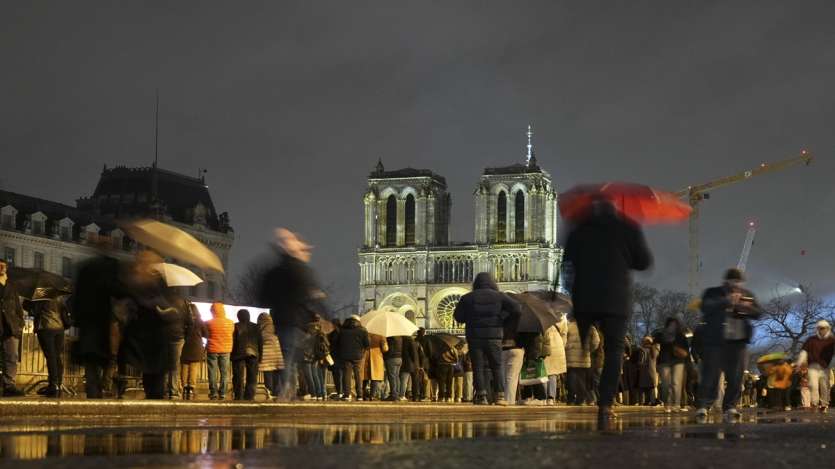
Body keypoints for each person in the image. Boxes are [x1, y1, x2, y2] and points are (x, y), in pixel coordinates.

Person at [563, 199, 652, 420]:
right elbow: (643, 262)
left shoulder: (579, 229)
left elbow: (567, 261)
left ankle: (582, 391)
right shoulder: (627, 227)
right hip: (615, 299)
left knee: (583, 350)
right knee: (614, 351)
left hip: (585, 298)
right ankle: (605, 402)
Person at [257, 228, 324, 401]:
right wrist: (324, 314)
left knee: (289, 355)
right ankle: (288, 387)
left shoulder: (275, 270)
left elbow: (262, 295)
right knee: (290, 356)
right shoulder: (299, 269)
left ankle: (287, 387)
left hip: (281, 318)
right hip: (296, 320)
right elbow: (312, 295)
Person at [695, 268, 763, 421]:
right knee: (710, 375)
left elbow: (759, 313)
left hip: (738, 342)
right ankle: (704, 405)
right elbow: (705, 307)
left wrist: (747, 307)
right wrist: (727, 301)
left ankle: (730, 406)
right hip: (716, 341)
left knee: (736, 377)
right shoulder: (713, 292)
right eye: (734, 281)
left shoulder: (747, 294)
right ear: (726, 281)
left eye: (739, 281)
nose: (736, 284)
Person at [453, 272, 521, 406]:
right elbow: (517, 309)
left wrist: (470, 318)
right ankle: (500, 396)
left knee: (477, 367)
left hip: (474, 336)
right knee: (497, 366)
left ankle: (481, 396)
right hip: (494, 336)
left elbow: (458, 317)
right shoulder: (500, 296)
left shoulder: (468, 298)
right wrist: (503, 319)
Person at [70, 243, 123, 399]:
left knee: (91, 362)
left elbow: (76, 297)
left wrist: (77, 320)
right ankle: (101, 388)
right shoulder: (112, 267)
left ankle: (94, 392)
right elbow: (118, 290)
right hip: (103, 322)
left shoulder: (85, 268)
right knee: (106, 359)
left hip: (88, 323)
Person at [30, 297, 71, 397]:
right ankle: (58, 383)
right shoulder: (60, 297)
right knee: (57, 356)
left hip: (46, 328)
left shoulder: (41, 297)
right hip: (59, 328)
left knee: (51, 357)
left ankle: (53, 384)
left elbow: (34, 311)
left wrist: (30, 303)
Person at [794, 320, 835, 413]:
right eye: (820, 328)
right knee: (813, 385)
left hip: (825, 367)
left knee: (825, 386)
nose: (822, 330)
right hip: (813, 366)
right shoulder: (811, 340)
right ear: (817, 329)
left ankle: (824, 404)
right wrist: (799, 363)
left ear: (828, 329)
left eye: (824, 328)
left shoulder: (832, 340)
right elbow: (804, 352)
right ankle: (815, 403)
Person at [0, 259, 26, 396]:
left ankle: (9, 385)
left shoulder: (12, 287)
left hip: (10, 325)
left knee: (11, 356)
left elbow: (18, 307)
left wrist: (20, 323)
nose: (2, 268)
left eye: (4, 266)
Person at [161, 288, 193, 399]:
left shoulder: (162, 302)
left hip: (164, 336)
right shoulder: (184, 303)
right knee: (174, 365)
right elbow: (190, 322)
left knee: (164, 364)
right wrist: (185, 336)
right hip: (178, 337)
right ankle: (173, 391)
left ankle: (163, 389)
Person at [653, 317, 690, 413]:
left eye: (675, 325)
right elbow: (654, 343)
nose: (673, 327)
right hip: (664, 361)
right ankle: (667, 403)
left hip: (678, 361)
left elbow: (686, 351)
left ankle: (676, 404)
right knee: (665, 384)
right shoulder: (661, 334)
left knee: (676, 383)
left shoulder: (681, 336)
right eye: (671, 324)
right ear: (667, 325)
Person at [565, 315, 600, 405]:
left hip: (570, 357)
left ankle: (571, 398)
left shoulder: (569, 326)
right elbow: (596, 341)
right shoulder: (590, 327)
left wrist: (567, 349)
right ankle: (581, 399)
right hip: (584, 357)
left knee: (571, 378)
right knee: (582, 379)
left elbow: (564, 341)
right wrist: (589, 350)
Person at [335, 315, 369, 401]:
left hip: (345, 356)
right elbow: (367, 344)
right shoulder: (363, 330)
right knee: (358, 375)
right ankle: (360, 395)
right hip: (358, 356)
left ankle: (347, 394)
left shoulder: (342, 330)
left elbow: (337, 343)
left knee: (347, 375)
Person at [206, 302, 234, 400]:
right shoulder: (230, 323)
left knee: (212, 372)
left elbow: (206, 335)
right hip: (226, 350)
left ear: (213, 311)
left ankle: (213, 393)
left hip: (212, 349)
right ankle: (223, 393)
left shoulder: (208, 323)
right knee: (224, 373)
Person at [231, 309, 261, 401]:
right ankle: (250, 396)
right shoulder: (256, 327)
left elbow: (233, 341)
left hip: (238, 354)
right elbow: (260, 342)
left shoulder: (235, 326)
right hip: (254, 353)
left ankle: (238, 396)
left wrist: (231, 355)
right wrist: (260, 356)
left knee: (238, 376)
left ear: (238, 316)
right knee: (252, 377)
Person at [180, 304, 207, 400]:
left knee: (184, 366)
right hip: (196, 346)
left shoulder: (184, 321)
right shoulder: (200, 321)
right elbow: (206, 334)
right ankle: (191, 387)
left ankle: (183, 386)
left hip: (185, 346)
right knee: (194, 367)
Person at [257, 312, 284, 399]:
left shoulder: (260, 329)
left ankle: (269, 391)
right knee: (276, 374)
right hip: (276, 354)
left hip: (266, 355)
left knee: (268, 374)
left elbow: (260, 340)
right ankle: (277, 392)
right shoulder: (275, 327)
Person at [544, 320, 568, 405]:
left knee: (544, 372)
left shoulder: (542, 316)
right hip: (558, 346)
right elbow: (564, 335)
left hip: (545, 346)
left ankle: (544, 397)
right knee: (553, 373)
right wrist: (562, 346)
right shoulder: (562, 318)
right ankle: (551, 397)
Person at [362, 332, 388, 400]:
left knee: (364, 377)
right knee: (375, 378)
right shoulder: (381, 335)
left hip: (365, 357)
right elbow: (385, 349)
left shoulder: (365, 334)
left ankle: (362, 395)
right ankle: (372, 396)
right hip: (376, 358)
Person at [636, 336, 659, 405]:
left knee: (643, 389)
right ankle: (653, 401)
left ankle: (643, 402)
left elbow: (640, 362)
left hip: (644, 372)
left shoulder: (642, 350)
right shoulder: (655, 350)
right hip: (653, 372)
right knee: (652, 388)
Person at [383, 335, 404, 401]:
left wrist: (386, 357)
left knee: (392, 377)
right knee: (396, 377)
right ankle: (397, 394)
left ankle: (393, 394)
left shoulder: (390, 338)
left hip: (391, 358)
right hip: (399, 358)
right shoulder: (400, 338)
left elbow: (389, 349)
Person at [400, 334, 419, 401]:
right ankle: (415, 396)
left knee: (404, 380)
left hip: (405, 363)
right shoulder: (411, 341)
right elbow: (414, 353)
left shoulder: (401, 340)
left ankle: (402, 395)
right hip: (414, 364)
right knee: (415, 381)